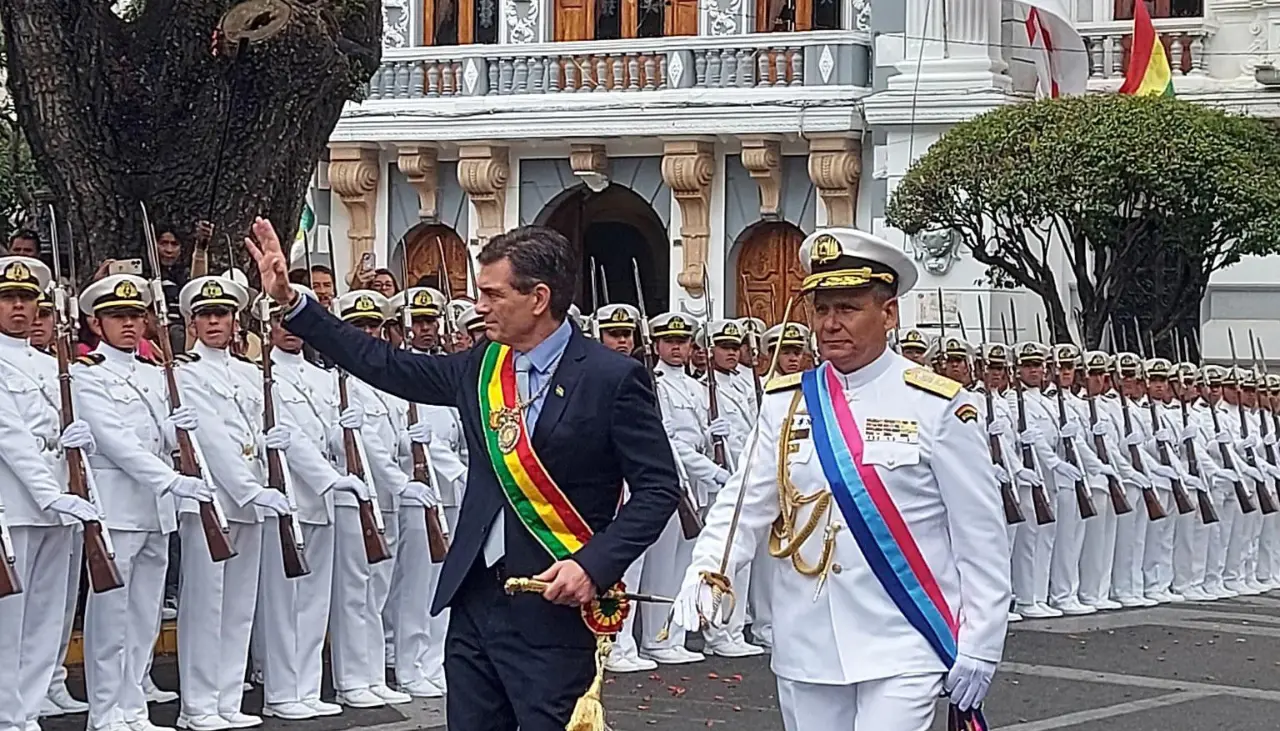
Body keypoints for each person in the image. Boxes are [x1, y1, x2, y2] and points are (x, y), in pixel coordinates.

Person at [244, 218, 680, 731]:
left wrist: (593, 565)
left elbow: (658, 489)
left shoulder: (612, 377)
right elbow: (385, 364)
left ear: (538, 298)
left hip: (555, 601)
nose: (478, 307)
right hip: (475, 598)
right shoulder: (483, 366)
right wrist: (293, 302)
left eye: (493, 294)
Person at [670, 228, 1010, 731]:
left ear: (888, 313)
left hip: (903, 637)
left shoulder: (937, 405)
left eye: (848, 308)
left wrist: (981, 642)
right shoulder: (786, 402)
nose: (830, 324)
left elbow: (980, 536)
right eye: (821, 309)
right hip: (808, 640)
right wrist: (708, 571)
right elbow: (745, 503)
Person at [73, 274, 216, 731]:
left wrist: (181, 430)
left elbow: (162, 437)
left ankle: (133, 707)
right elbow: (117, 443)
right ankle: (105, 712)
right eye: (118, 317)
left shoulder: (156, 374)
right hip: (119, 508)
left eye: (136, 316)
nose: (129, 324)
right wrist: (172, 481)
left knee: (144, 618)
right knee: (111, 618)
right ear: (97, 324)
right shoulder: (87, 374)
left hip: (156, 512)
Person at [172, 275, 294, 731]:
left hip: (252, 498)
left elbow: (257, 430)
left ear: (234, 320)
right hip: (215, 500)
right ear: (192, 322)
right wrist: (249, 489)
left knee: (239, 606)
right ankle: (198, 705)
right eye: (205, 315)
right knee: (205, 605)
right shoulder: (185, 372)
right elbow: (211, 439)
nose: (214, 322)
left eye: (221, 314)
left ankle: (226, 698)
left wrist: (270, 448)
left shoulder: (248, 372)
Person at [0, 256, 100, 731]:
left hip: (60, 503)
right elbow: (10, 437)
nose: (19, 307)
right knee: (8, 621)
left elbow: (76, 430)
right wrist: (49, 494)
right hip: (16, 506)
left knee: (46, 618)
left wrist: (83, 441)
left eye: (26, 299)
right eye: (8, 299)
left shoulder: (53, 364)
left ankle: (28, 711)